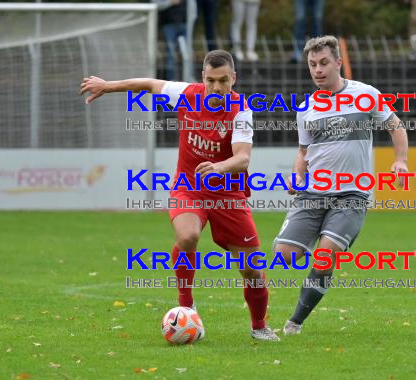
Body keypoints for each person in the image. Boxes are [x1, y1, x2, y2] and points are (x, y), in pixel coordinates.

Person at [79, 50, 280, 341]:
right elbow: (148, 84)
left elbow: (243, 159)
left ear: (233, 78)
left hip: (229, 195)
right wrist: (107, 86)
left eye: (223, 80)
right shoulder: (187, 94)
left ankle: (259, 326)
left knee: (252, 270)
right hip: (190, 187)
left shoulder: (241, 110)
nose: (217, 87)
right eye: (211, 80)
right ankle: (186, 306)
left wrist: (218, 167)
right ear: (202, 78)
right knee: (187, 237)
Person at [273, 36, 409, 335]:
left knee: (324, 257)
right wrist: (297, 176)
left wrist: (401, 161)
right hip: (313, 193)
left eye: (323, 63)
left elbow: (396, 127)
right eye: (312, 65)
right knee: (283, 255)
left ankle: (295, 322)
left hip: (352, 193)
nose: (318, 70)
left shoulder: (365, 94)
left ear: (338, 62)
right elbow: (303, 153)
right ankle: (323, 241)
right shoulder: (307, 107)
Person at [154, 0, 187, 81]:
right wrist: (170, 2)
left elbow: (193, 7)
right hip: (168, 24)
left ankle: (187, 79)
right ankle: (171, 80)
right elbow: (155, 5)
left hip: (185, 23)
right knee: (170, 54)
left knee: (186, 54)